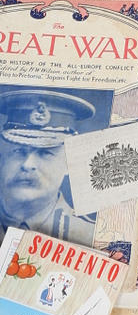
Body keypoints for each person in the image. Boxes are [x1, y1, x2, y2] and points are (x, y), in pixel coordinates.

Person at [0, 89, 97, 244]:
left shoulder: (92, 237)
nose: (28, 165)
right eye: (18, 151)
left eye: (45, 153)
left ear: (69, 164)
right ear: (2, 156)